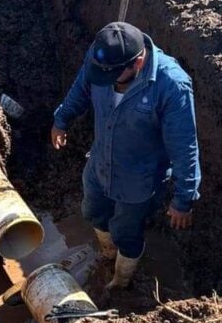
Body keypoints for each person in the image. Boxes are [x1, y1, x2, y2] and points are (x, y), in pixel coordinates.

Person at [50, 22, 200, 290]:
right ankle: (108, 254)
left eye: (113, 77)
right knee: (93, 211)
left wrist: (184, 198)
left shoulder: (171, 85)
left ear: (138, 62)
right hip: (100, 164)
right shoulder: (102, 56)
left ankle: (121, 281)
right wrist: (61, 119)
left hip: (138, 179)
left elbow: (184, 145)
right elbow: (82, 87)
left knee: (126, 233)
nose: (106, 81)